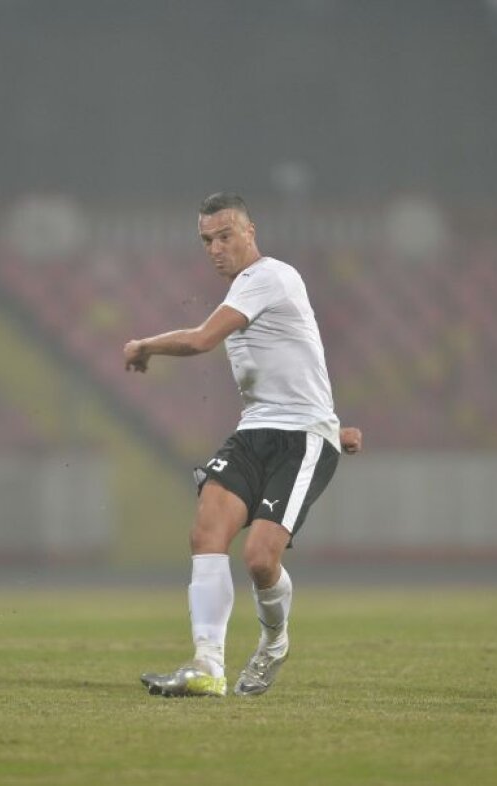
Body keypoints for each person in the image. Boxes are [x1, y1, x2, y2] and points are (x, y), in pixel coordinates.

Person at [124, 192, 362, 698]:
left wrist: (145, 345)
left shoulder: (270, 276)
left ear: (251, 232)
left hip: (300, 442)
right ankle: (207, 665)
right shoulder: (245, 292)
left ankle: (274, 643)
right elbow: (295, 367)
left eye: (225, 236)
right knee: (206, 528)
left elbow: (201, 340)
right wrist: (335, 423)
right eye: (206, 240)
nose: (215, 248)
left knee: (258, 559)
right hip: (256, 432)